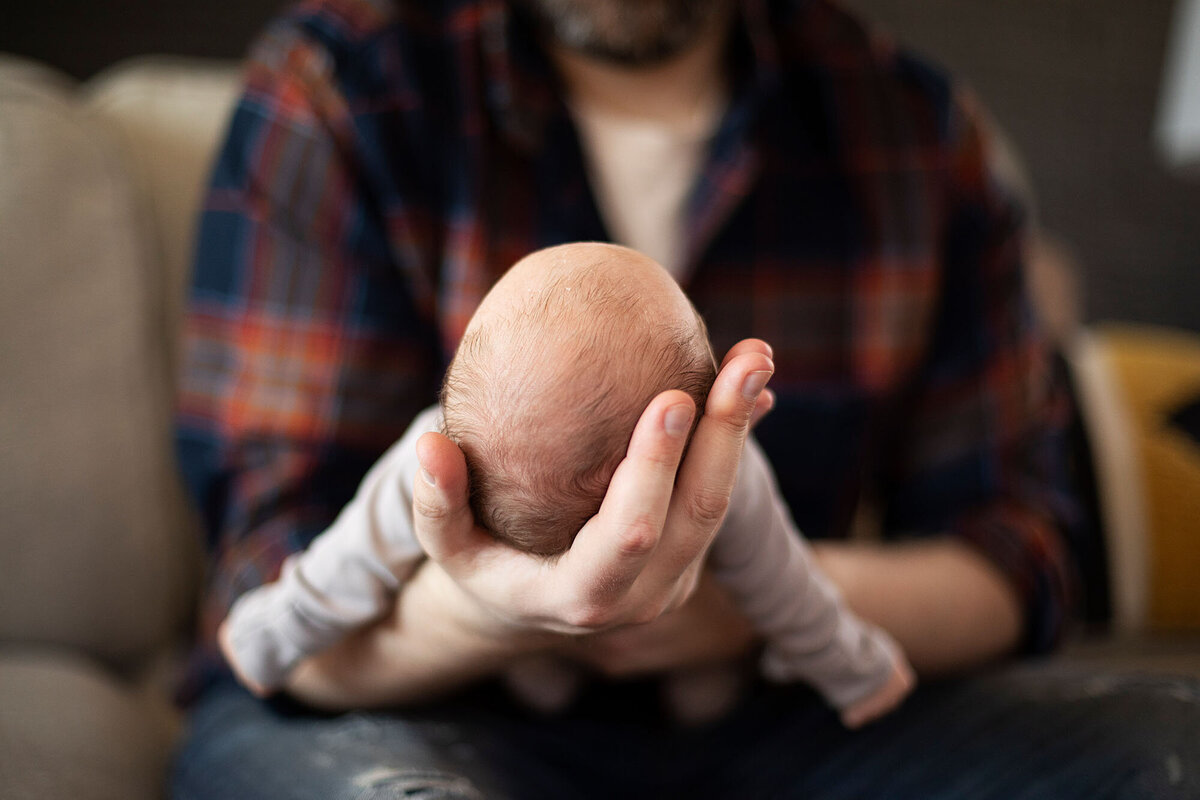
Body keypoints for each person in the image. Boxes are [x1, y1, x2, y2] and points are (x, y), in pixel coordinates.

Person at [172, 0, 1200, 797]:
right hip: (422, 709)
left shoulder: (907, 126)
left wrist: (742, 616)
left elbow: (1019, 552)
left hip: (779, 723)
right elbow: (271, 590)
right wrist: (493, 611)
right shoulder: (346, 89)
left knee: (1168, 747)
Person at [217, 241, 914, 728]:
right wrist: (860, 674)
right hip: (487, 679)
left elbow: (342, 569)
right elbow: (790, 592)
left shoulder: (430, 458)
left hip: (579, 674)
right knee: (712, 692)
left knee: (572, 681)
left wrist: (267, 637)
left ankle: (559, 682)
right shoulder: (728, 471)